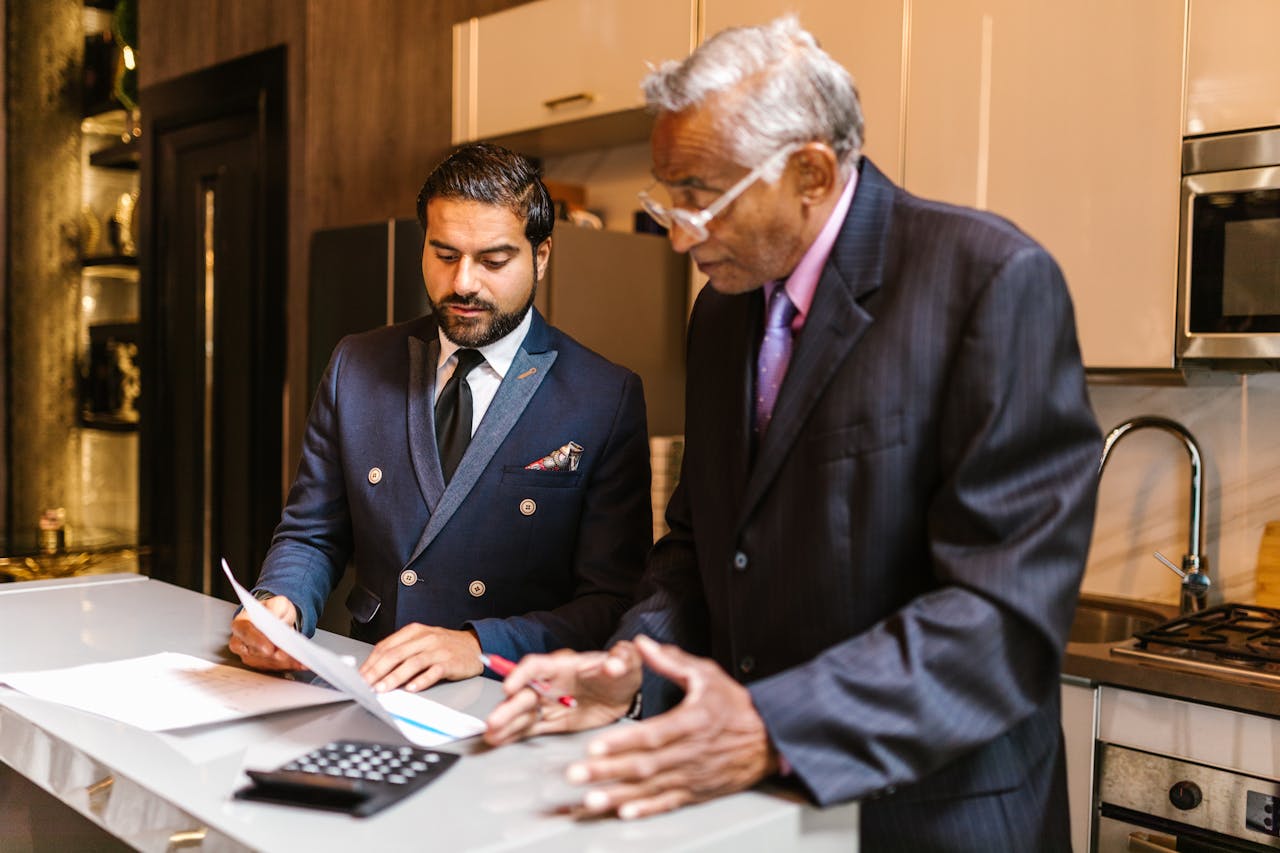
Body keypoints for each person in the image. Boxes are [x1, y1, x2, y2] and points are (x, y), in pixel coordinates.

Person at [483, 17, 1101, 851]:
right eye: (668, 197)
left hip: (933, 816)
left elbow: (1001, 618)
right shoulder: (722, 312)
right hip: (759, 814)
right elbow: (700, 545)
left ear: (809, 171)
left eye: (701, 193)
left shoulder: (987, 282)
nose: (678, 232)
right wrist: (631, 666)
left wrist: (772, 723)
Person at [229, 143, 652, 695]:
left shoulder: (604, 396)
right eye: (444, 254)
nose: (464, 283)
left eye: (494, 261)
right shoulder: (356, 364)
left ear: (541, 256)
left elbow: (613, 601)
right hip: (373, 684)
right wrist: (277, 603)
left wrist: (481, 645)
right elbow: (313, 533)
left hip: (515, 699)